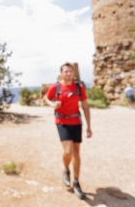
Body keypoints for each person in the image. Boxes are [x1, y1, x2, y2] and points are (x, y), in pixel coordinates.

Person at [43, 62, 92, 200]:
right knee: (69, 151)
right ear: (61, 73)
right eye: (66, 71)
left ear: (73, 73)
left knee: (76, 152)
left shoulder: (79, 87)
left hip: (76, 122)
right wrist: (53, 104)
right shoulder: (56, 87)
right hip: (62, 122)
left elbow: (86, 107)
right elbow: (46, 98)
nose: (69, 73)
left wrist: (89, 126)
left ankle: (76, 182)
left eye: (71, 71)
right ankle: (66, 170)